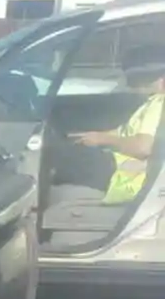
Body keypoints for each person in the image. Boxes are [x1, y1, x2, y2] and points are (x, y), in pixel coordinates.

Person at [66, 42, 165, 206]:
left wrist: (102, 140)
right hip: (125, 171)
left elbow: (143, 148)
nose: (129, 85)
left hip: (129, 179)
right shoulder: (151, 103)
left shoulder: (158, 104)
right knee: (67, 151)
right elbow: (125, 133)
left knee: (57, 157)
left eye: (135, 80)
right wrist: (92, 136)